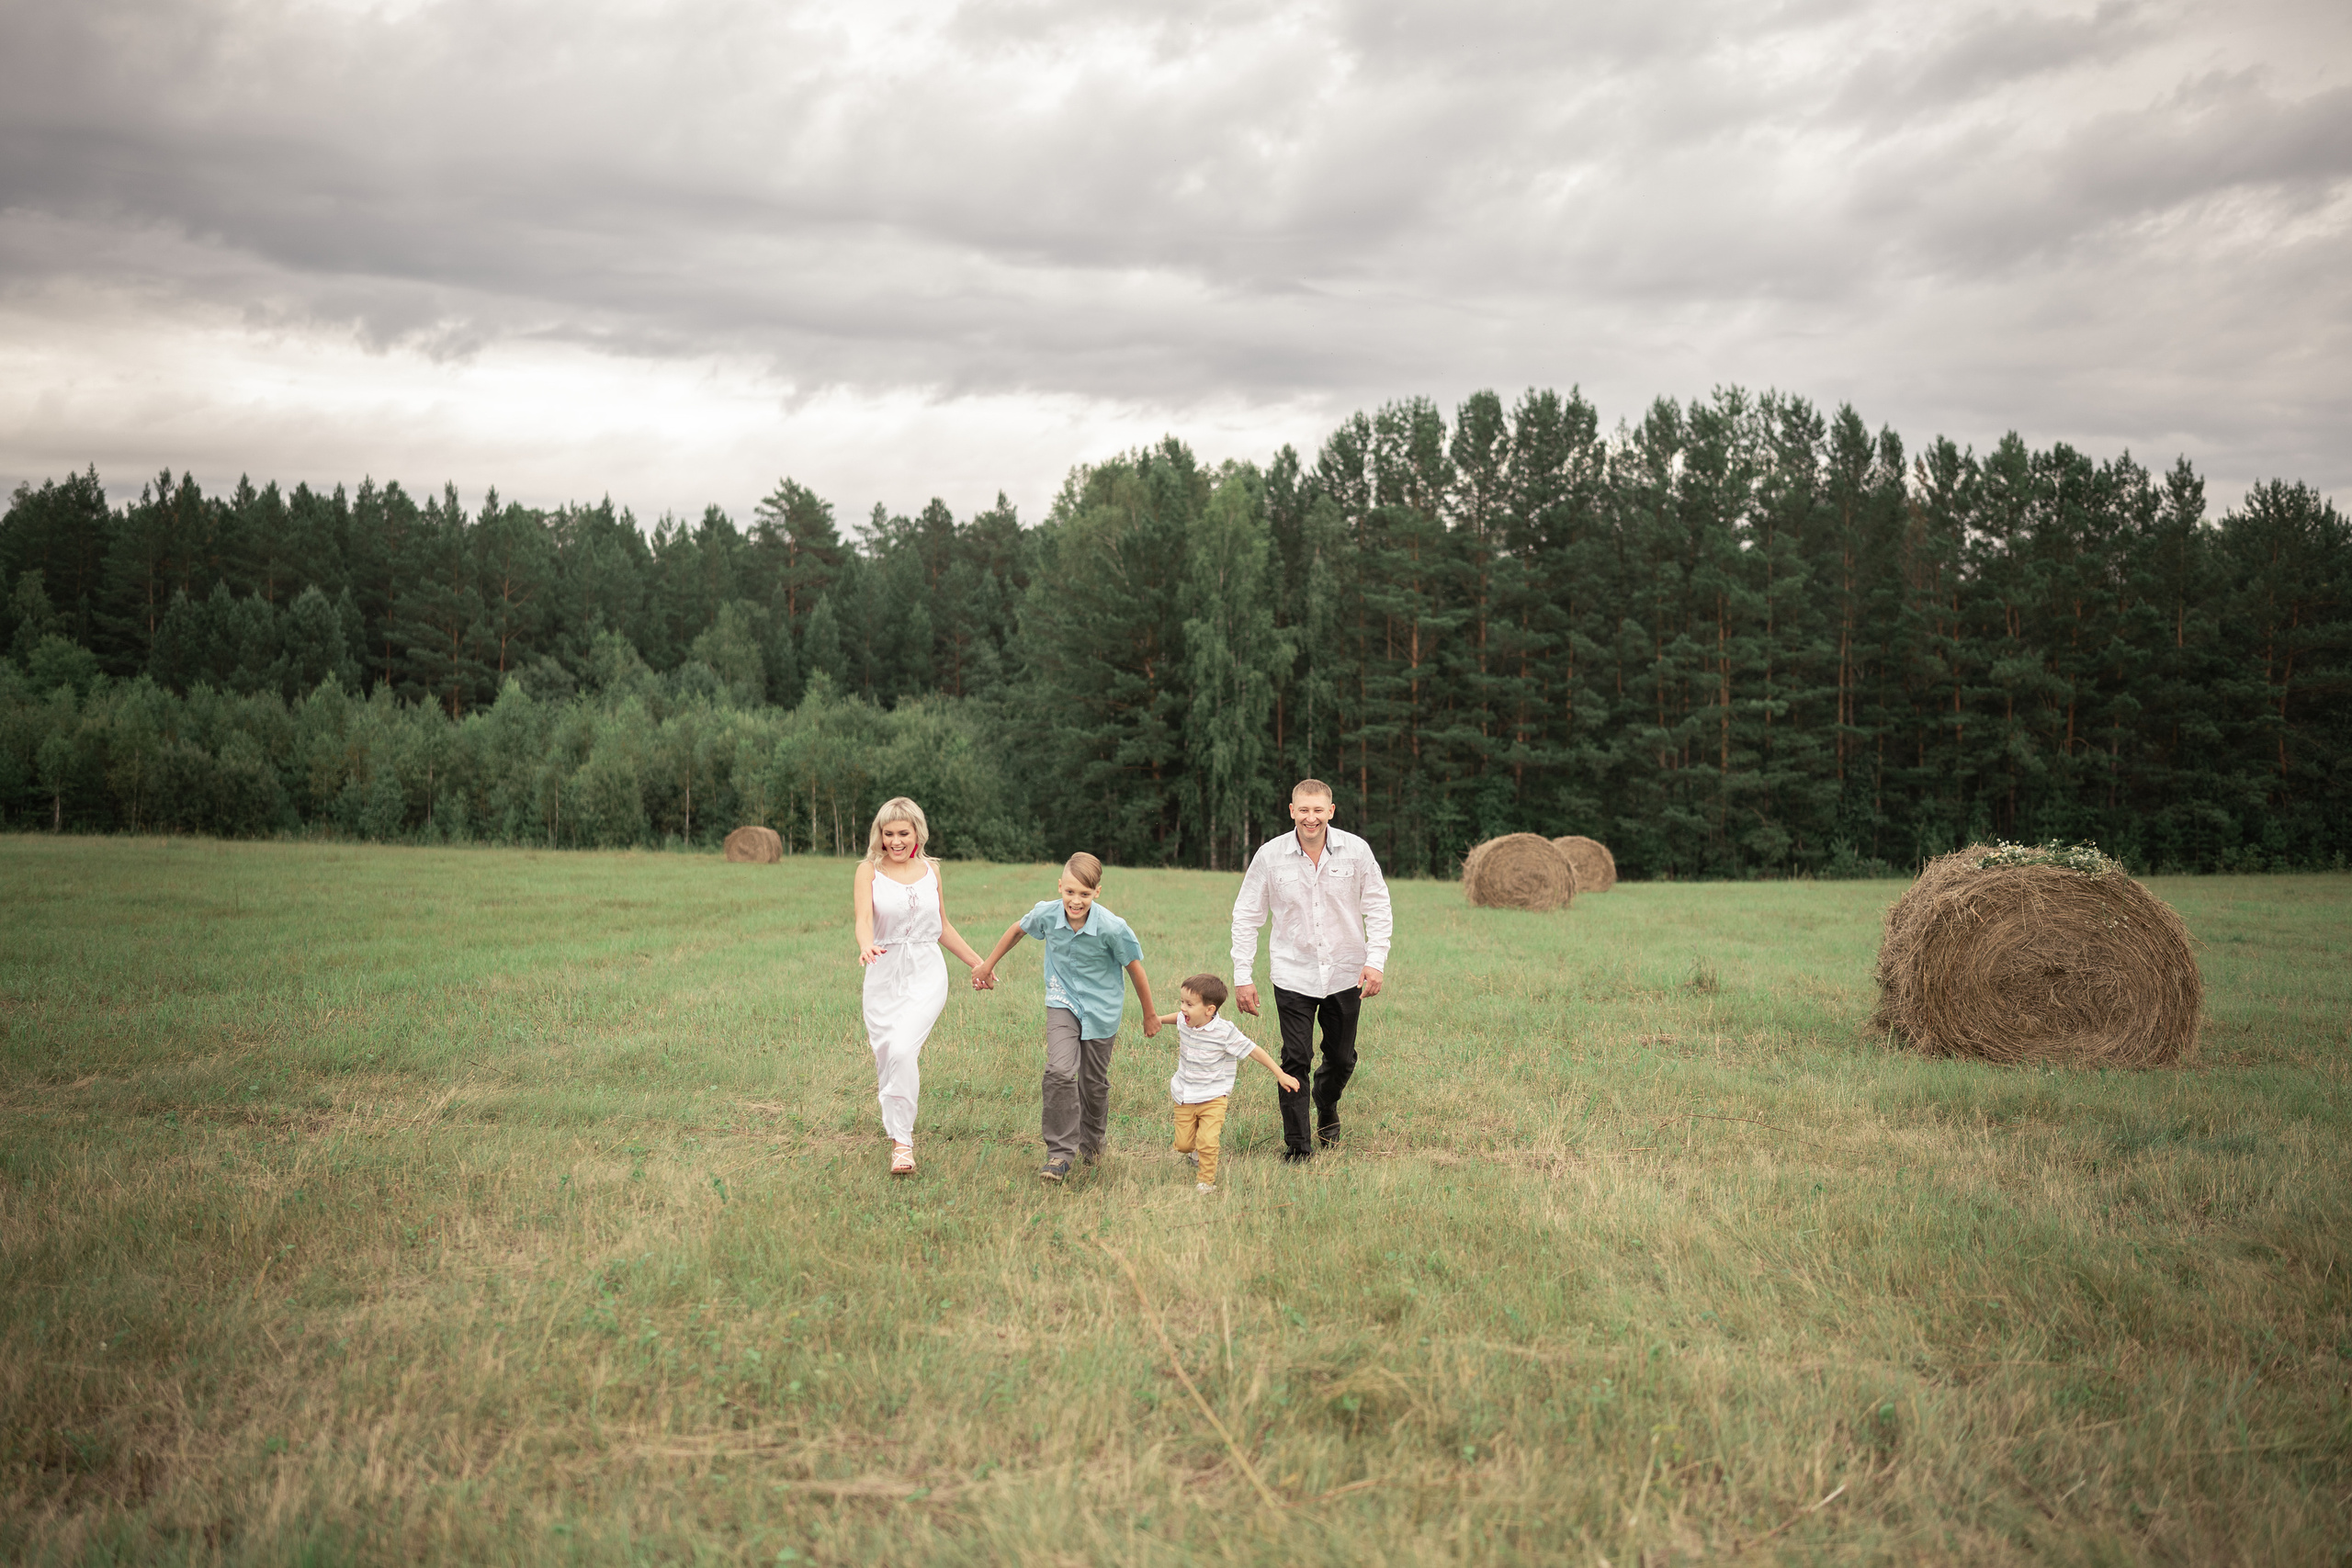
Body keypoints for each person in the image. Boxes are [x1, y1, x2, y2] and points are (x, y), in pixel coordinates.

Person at [970, 852, 1160, 1182]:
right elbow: (1018, 929)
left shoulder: (1113, 928)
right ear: (1060, 887)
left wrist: (1150, 1015)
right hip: (1062, 1002)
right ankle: (1059, 1153)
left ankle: (1092, 1145)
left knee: (1093, 1084)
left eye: (1084, 894)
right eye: (1070, 892)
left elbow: (1135, 969)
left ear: (1097, 893)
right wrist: (988, 964)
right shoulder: (1047, 913)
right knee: (1059, 1070)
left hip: (1102, 1011)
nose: (1076, 900)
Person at [1229, 778, 1393, 1161]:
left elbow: (1378, 907)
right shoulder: (1269, 856)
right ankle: (1298, 1148)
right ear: (1292, 811)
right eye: (1303, 809)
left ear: (1331, 811)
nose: (1311, 817)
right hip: (1292, 973)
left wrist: (1376, 961)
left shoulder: (1356, 851)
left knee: (1341, 1058)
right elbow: (1246, 917)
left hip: (1346, 972)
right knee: (1295, 1059)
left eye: (1318, 810)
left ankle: (1326, 1100)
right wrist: (1243, 975)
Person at [852, 797, 989, 1178]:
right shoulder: (868, 871)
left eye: (903, 833)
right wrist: (866, 943)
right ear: (879, 835)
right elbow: (863, 920)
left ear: (917, 833)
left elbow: (942, 925)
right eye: (888, 833)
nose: (895, 841)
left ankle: (902, 1143)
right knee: (887, 1057)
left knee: (901, 1050)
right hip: (883, 972)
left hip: (927, 973)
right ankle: (897, 1130)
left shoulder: (931, 870)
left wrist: (978, 964)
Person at [1154, 973, 1298, 1194]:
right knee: (1183, 1144)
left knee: (1208, 1141)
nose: (1183, 1008)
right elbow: (1178, 1018)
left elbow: (1254, 1050)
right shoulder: (1186, 1020)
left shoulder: (1224, 1032)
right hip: (1184, 1094)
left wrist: (1280, 1074)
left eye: (1189, 1004)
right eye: (1182, 1002)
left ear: (1209, 1010)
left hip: (1213, 1097)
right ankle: (1194, 1151)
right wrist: (1159, 1019)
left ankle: (1205, 1182)